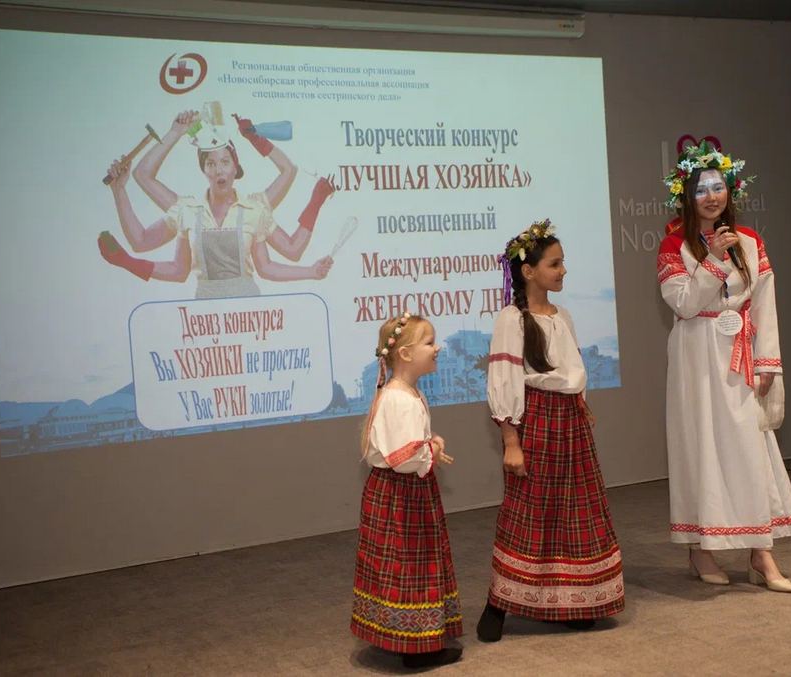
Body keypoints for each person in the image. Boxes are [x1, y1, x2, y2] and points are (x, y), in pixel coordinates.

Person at [657, 139, 791, 592]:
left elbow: (764, 303)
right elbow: (684, 303)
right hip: (696, 355)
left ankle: (761, 551)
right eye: (701, 189)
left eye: (718, 187)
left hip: (739, 352)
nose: (711, 197)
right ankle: (701, 548)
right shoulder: (674, 245)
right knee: (700, 444)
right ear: (687, 195)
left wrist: (768, 362)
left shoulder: (751, 241)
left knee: (749, 445)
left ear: (731, 190)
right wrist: (714, 260)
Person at [477, 220, 625, 642]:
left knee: (573, 509)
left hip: (570, 421)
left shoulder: (564, 316)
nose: (563, 271)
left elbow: (572, 370)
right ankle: (499, 603)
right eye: (554, 264)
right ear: (529, 271)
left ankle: (566, 600)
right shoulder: (512, 319)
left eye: (563, 263)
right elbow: (505, 378)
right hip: (536, 419)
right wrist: (511, 441)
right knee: (528, 510)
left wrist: (581, 405)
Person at [98, 109, 334, 298]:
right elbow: (146, 243)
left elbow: (272, 264)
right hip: (205, 318)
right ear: (203, 169)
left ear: (235, 166)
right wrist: (175, 132)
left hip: (250, 312)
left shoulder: (254, 208)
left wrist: (255, 138)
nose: (219, 170)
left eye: (225, 162)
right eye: (210, 163)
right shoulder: (188, 211)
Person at [350, 313, 463, 668]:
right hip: (403, 494)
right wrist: (432, 448)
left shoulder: (403, 393)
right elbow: (404, 458)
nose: (437, 347)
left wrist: (428, 444)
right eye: (429, 342)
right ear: (406, 353)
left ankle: (407, 637)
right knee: (410, 563)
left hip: (400, 491)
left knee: (404, 563)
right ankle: (416, 647)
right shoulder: (400, 399)